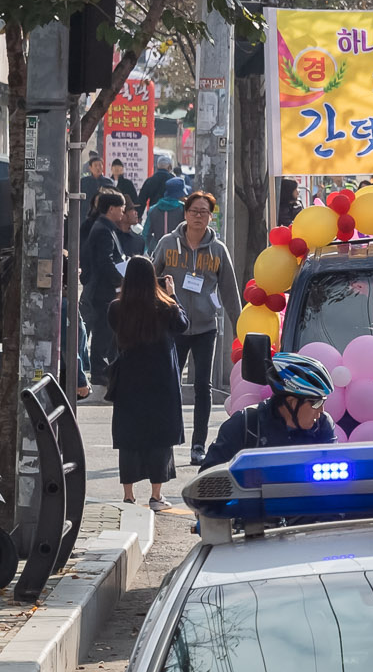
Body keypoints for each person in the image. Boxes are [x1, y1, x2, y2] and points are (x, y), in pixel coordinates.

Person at [153, 189, 245, 464]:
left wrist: (240, 329)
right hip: (174, 325)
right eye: (194, 211)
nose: (198, 216)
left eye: (204, 212)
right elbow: (150, 276)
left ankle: (198, 445)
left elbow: (230, 292)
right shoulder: (168, 244)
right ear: (185, 213)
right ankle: (169, 439)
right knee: (169, 384)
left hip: (206, 327)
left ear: (210, 217)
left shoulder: (218, 250)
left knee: (203, 386)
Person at [106, 255, 185, 509]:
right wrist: (172, 295)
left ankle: (128, 495)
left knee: (129, 437)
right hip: (161, 381)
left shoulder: (116, 309)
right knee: (159, 437)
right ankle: (156, 495)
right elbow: (183, 325)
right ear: (154, 280)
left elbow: (114, 329)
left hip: (129, 380)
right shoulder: (166, 308)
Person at [200, 350, 338, 468]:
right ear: (292, 402)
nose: (321, 411)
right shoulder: (245, 425)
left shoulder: (323, 425)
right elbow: (206, 486)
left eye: (323, 401)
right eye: (316, 403)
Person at [82, 190, 141, 392]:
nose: (124, 212)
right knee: (103, 331)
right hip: (103, 290)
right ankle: (100, 371)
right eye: (121, 208)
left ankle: (105, 369)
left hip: (109, 288)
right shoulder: (102, 230)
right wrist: (121, 279)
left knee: (108, 331)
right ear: (111, 209)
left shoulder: (108, 228)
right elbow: (104, 262)